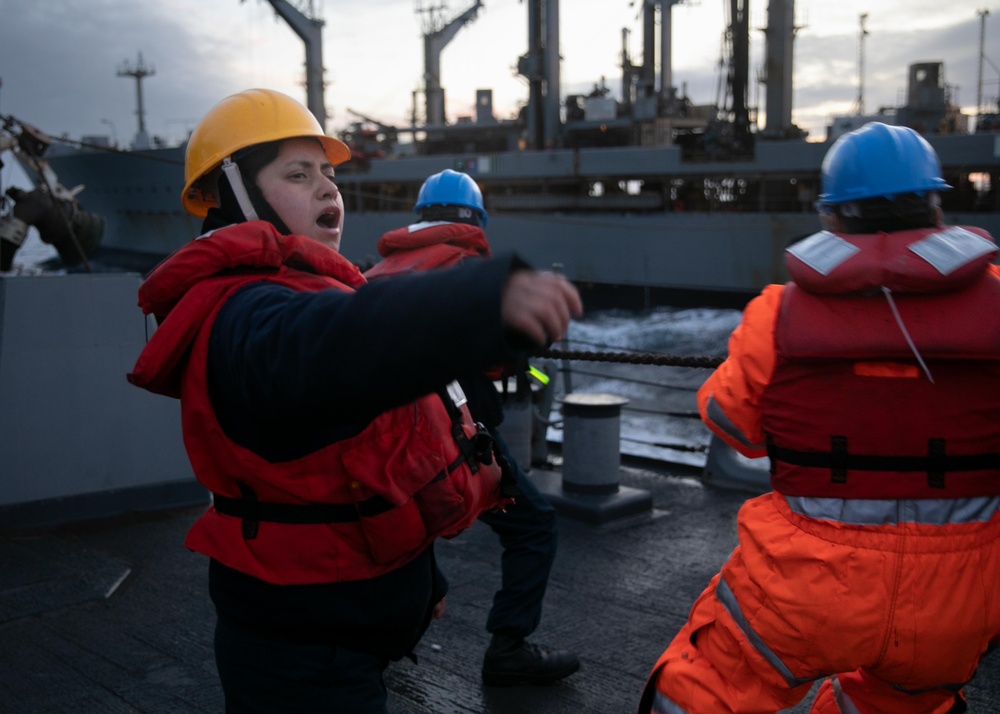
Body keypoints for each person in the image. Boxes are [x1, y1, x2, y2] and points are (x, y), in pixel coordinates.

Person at [126, 88, 582, 714]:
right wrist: (476, 304)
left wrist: (423, 582)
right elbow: (333, 346)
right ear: (235, 194)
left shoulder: (291, 291)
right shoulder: (250, 314)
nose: (327, 190)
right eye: (297, 174)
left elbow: (363, 467)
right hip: (301, 667)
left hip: (335, 644)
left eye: (329, 174)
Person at [639, 122, 1000, 714]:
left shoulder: (778, 315)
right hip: (957, 601)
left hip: (804, 584)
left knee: (703, 689)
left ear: (833, 217)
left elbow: (729, 422)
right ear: (937, 207)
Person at [364, 168, 581, 687]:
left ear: (419, 217)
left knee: (406, 532)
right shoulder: (469, 272)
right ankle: (509, 646)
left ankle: (387, 638)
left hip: (386, 441)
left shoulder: (379, 272)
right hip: (459, 435)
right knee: (533, 527)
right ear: (477, 220)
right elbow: (494, 360)